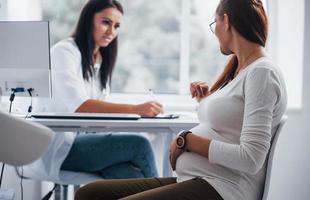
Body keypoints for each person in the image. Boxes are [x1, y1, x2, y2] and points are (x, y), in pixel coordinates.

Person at [74, 0, 287, 199]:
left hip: (224, 188)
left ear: (226, 21)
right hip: (199, 179)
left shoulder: (262, 72)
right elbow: (228, 126)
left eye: (215, 24)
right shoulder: (243, 71)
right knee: (89, 194)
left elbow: (250, 159)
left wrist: (187, 141)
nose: (215, 34)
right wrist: (205, 102)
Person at [21, 0, 161, 183]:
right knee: (139, 144)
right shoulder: (64, 52)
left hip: (84, 141)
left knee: (128, 175)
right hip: (60, 147)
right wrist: (135, 109)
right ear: (88, 20)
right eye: (106, 22)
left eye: (117, 26)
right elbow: (81, 106)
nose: (111, 32)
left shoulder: (99, 60)